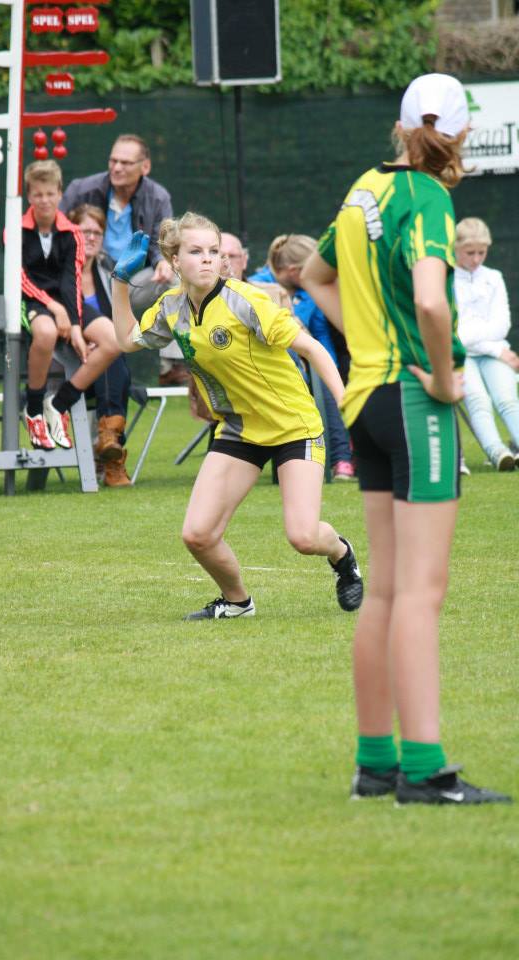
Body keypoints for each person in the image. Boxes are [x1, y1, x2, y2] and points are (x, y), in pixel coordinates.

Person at [303, 73, 511, 805]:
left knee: (388, 592)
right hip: (413, 401)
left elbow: (314, 275)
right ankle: (424, 772)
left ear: (400, 127)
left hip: (365, 400)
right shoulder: (427, 196)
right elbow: (430, 299)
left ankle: (375, 764)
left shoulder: (364, 189)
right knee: (421, 594)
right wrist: (448, 379)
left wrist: (370, 341)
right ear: (460, 135)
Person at [111, 213, 364, 621]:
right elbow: (126, 341)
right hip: (239, 429)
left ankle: (342, 553)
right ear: (175, 260)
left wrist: (347, 404)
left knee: (303, 537)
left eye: (213, 251)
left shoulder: (245, 300)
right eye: (196, 251)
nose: (207, 259)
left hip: (293, 426)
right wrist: (120, 282)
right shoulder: (171, 308)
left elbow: (313, 349)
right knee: (197, 535)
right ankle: (237, 602)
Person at [18, 160, 122, 452]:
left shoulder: (72, 232)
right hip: (32, 301)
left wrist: (75, 324)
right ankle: (34, 410)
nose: (44, 200)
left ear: (60, 193)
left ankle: (59, 404)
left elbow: (71, 280)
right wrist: (55, 308)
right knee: (47, 333)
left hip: (66, 303)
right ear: (29, 195)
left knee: (113, 340)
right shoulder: (15, 230)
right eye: (38, 194)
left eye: (50, 194)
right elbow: (19, 278)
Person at [264, 234, 357, 481]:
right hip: (272, 366)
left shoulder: (310, 295)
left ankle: (342, 459)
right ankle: (340, 456)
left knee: (325, 381)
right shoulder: (259, 287)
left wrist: (329, 368)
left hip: (306, 364)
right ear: (294, 271)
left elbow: (320, 334)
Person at [60, 134, 175, 318]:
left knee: (175, 278)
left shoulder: (158, 198)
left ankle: (178, 336)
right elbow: (57, 230)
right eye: (113, 161)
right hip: (88, 276)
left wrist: (162, 262)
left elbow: (160, 244)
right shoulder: (81, 190)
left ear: (145, 167)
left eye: (125, 163)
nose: (117, 168)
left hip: (131, 282)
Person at [67, 203, 132, 487]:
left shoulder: (108, 272)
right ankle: (112, 459)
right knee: (114, 359)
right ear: (72, 234)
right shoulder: (62, 275)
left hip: (107, 360)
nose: (92, 237)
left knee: (113, 358)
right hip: (70, 362)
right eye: (85, 231)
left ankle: (108, 441)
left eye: (97, 232)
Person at [454, 216, 519, 472]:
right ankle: (498, 453)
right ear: (456, 248)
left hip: (494, 353)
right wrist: (495, 349)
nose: (476, 259)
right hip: (467, 355)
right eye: (470, 252)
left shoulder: (494, 277)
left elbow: (501, 325)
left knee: (507, 399)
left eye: (482, 252)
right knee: (478, 400)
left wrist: (483, 343)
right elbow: (457, 335)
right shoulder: (446, 278)